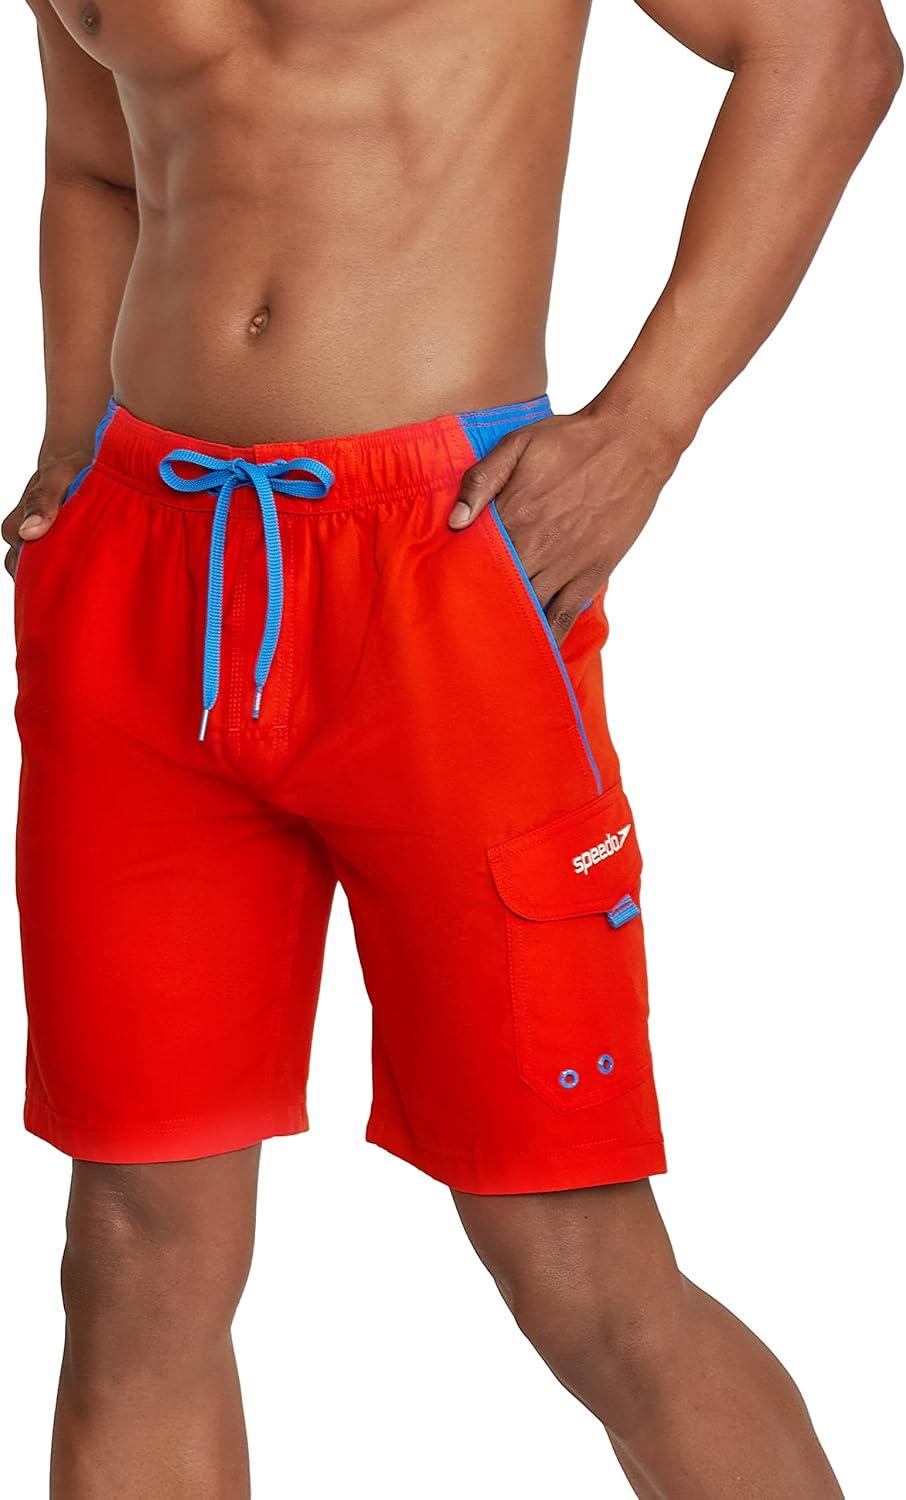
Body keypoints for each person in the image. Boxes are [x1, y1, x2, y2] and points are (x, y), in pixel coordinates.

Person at [4, 0, 900, 1495]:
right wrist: (68, 447)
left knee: (574, 1260)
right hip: (142, 579)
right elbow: (97, 162)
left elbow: (826, 49)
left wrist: (645, 427)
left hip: (446, 559)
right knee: (131, 1251)